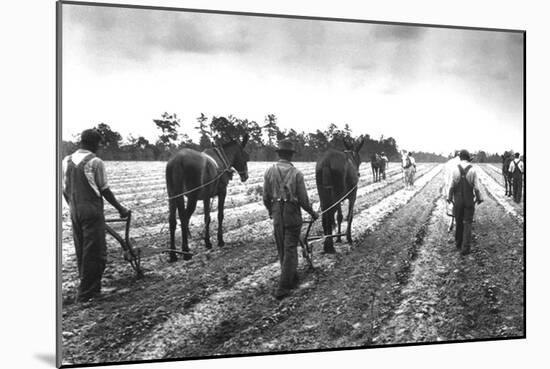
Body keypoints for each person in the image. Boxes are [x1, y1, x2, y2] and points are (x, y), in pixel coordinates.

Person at [62, 129, 130, 302]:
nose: (100, 147)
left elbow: (65, 189)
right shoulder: (95, 162)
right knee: (96, 252)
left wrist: (74, 207)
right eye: (99, 143)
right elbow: (104, 189)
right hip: (92, 210)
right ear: (93, 143)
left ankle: (88, 287)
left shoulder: (66, 161)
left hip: (75, 211)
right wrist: (120, 208)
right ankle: (88, 293)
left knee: (82, 250)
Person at [263, 139, 318, 300]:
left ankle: (291, 276)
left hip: (277, 213)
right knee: (290, 249)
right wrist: (312, 213)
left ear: (279, 154)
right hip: (292, 213)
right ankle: (284, 286)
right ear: (290, 155)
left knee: (282, 247)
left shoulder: (269, 171)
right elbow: (303, 200)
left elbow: (265, 197)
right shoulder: (296, 173)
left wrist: (271, 211)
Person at [447, 150, 484, 255]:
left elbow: (451, 186)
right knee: (467, 223)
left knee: (458, 222)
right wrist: (479, 198)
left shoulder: (454, 169)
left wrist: (449, 198)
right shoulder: (472, 170)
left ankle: (458, 244)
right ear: (468, 158)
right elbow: (476, 188)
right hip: (468, 201)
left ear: (460, 158)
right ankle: (465, 248)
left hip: (458, 201)